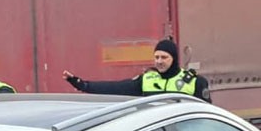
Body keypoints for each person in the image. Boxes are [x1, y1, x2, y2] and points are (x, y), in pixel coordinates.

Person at [62, 39, 209, 100]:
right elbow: (114, 88)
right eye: (156, 57)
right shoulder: (147, 80)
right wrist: (81, 84)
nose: (159, 61)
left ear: (174, 59)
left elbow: (207, 117)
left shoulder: (194, 82)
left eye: (164, 58)